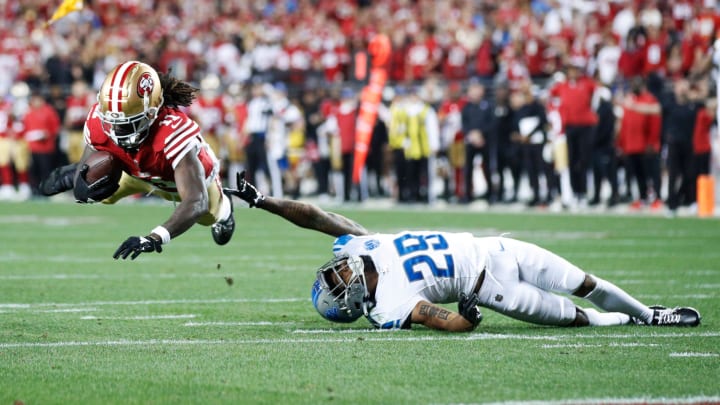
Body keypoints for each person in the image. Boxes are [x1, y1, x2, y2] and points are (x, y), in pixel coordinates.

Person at [225, 172, 701, 332]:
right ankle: (624, 321)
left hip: (494, 248)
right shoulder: (386, 304)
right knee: (576, 317)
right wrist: (467, 318)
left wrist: (264, 201)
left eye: (333, 273)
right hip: (491, 288)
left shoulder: (360, 244)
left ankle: (650, 313)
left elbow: (314, 216)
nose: (339, 270)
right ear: (350, 302)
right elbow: (440, 319)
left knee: (584, 281)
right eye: (336, 282)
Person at [38, 61, 236, 259]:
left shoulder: (173, 132)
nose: (116, 131)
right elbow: (94, 154)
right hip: (132, 171)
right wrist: (80, 179)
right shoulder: (99, 120)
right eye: (113, 122)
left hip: (177, 183)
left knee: (209, 216)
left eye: (127, 124)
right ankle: (71, 173)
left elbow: (195, 201)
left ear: (152, 111)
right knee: (100, 193)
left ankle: (226, 209)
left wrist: (154, 238)